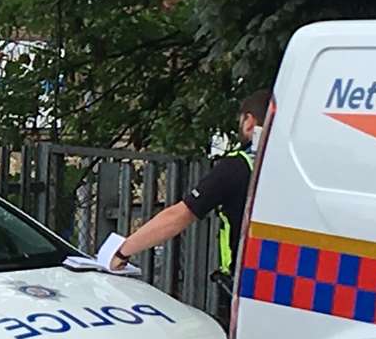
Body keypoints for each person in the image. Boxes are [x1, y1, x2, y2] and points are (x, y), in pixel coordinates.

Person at [110, 89, 271, 308]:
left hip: (248, 286)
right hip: (284, 281)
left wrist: (122, 252)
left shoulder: (238, 167)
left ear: (249, 121)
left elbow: (179, 215)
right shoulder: (290, 165)